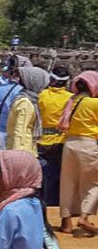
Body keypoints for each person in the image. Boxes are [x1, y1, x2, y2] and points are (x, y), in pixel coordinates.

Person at [58, 70, 98, 234]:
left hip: (69, 144)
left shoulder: (70, 101)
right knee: (94, 184)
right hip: (88, 145)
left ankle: (66, 223)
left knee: (67, 184)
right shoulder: (94, 103)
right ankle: (83, 216)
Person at [37, 66, 73, 207]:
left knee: (43, 173)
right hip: (61, 141)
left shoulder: (42, 95)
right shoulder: (70, 98)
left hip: (42, 140)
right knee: (58, 174)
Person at [7, 66, 48, 156]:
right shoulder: (25, 102)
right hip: (23, 151)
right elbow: (20, 131)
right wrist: (18, 156)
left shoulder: (29, 100)